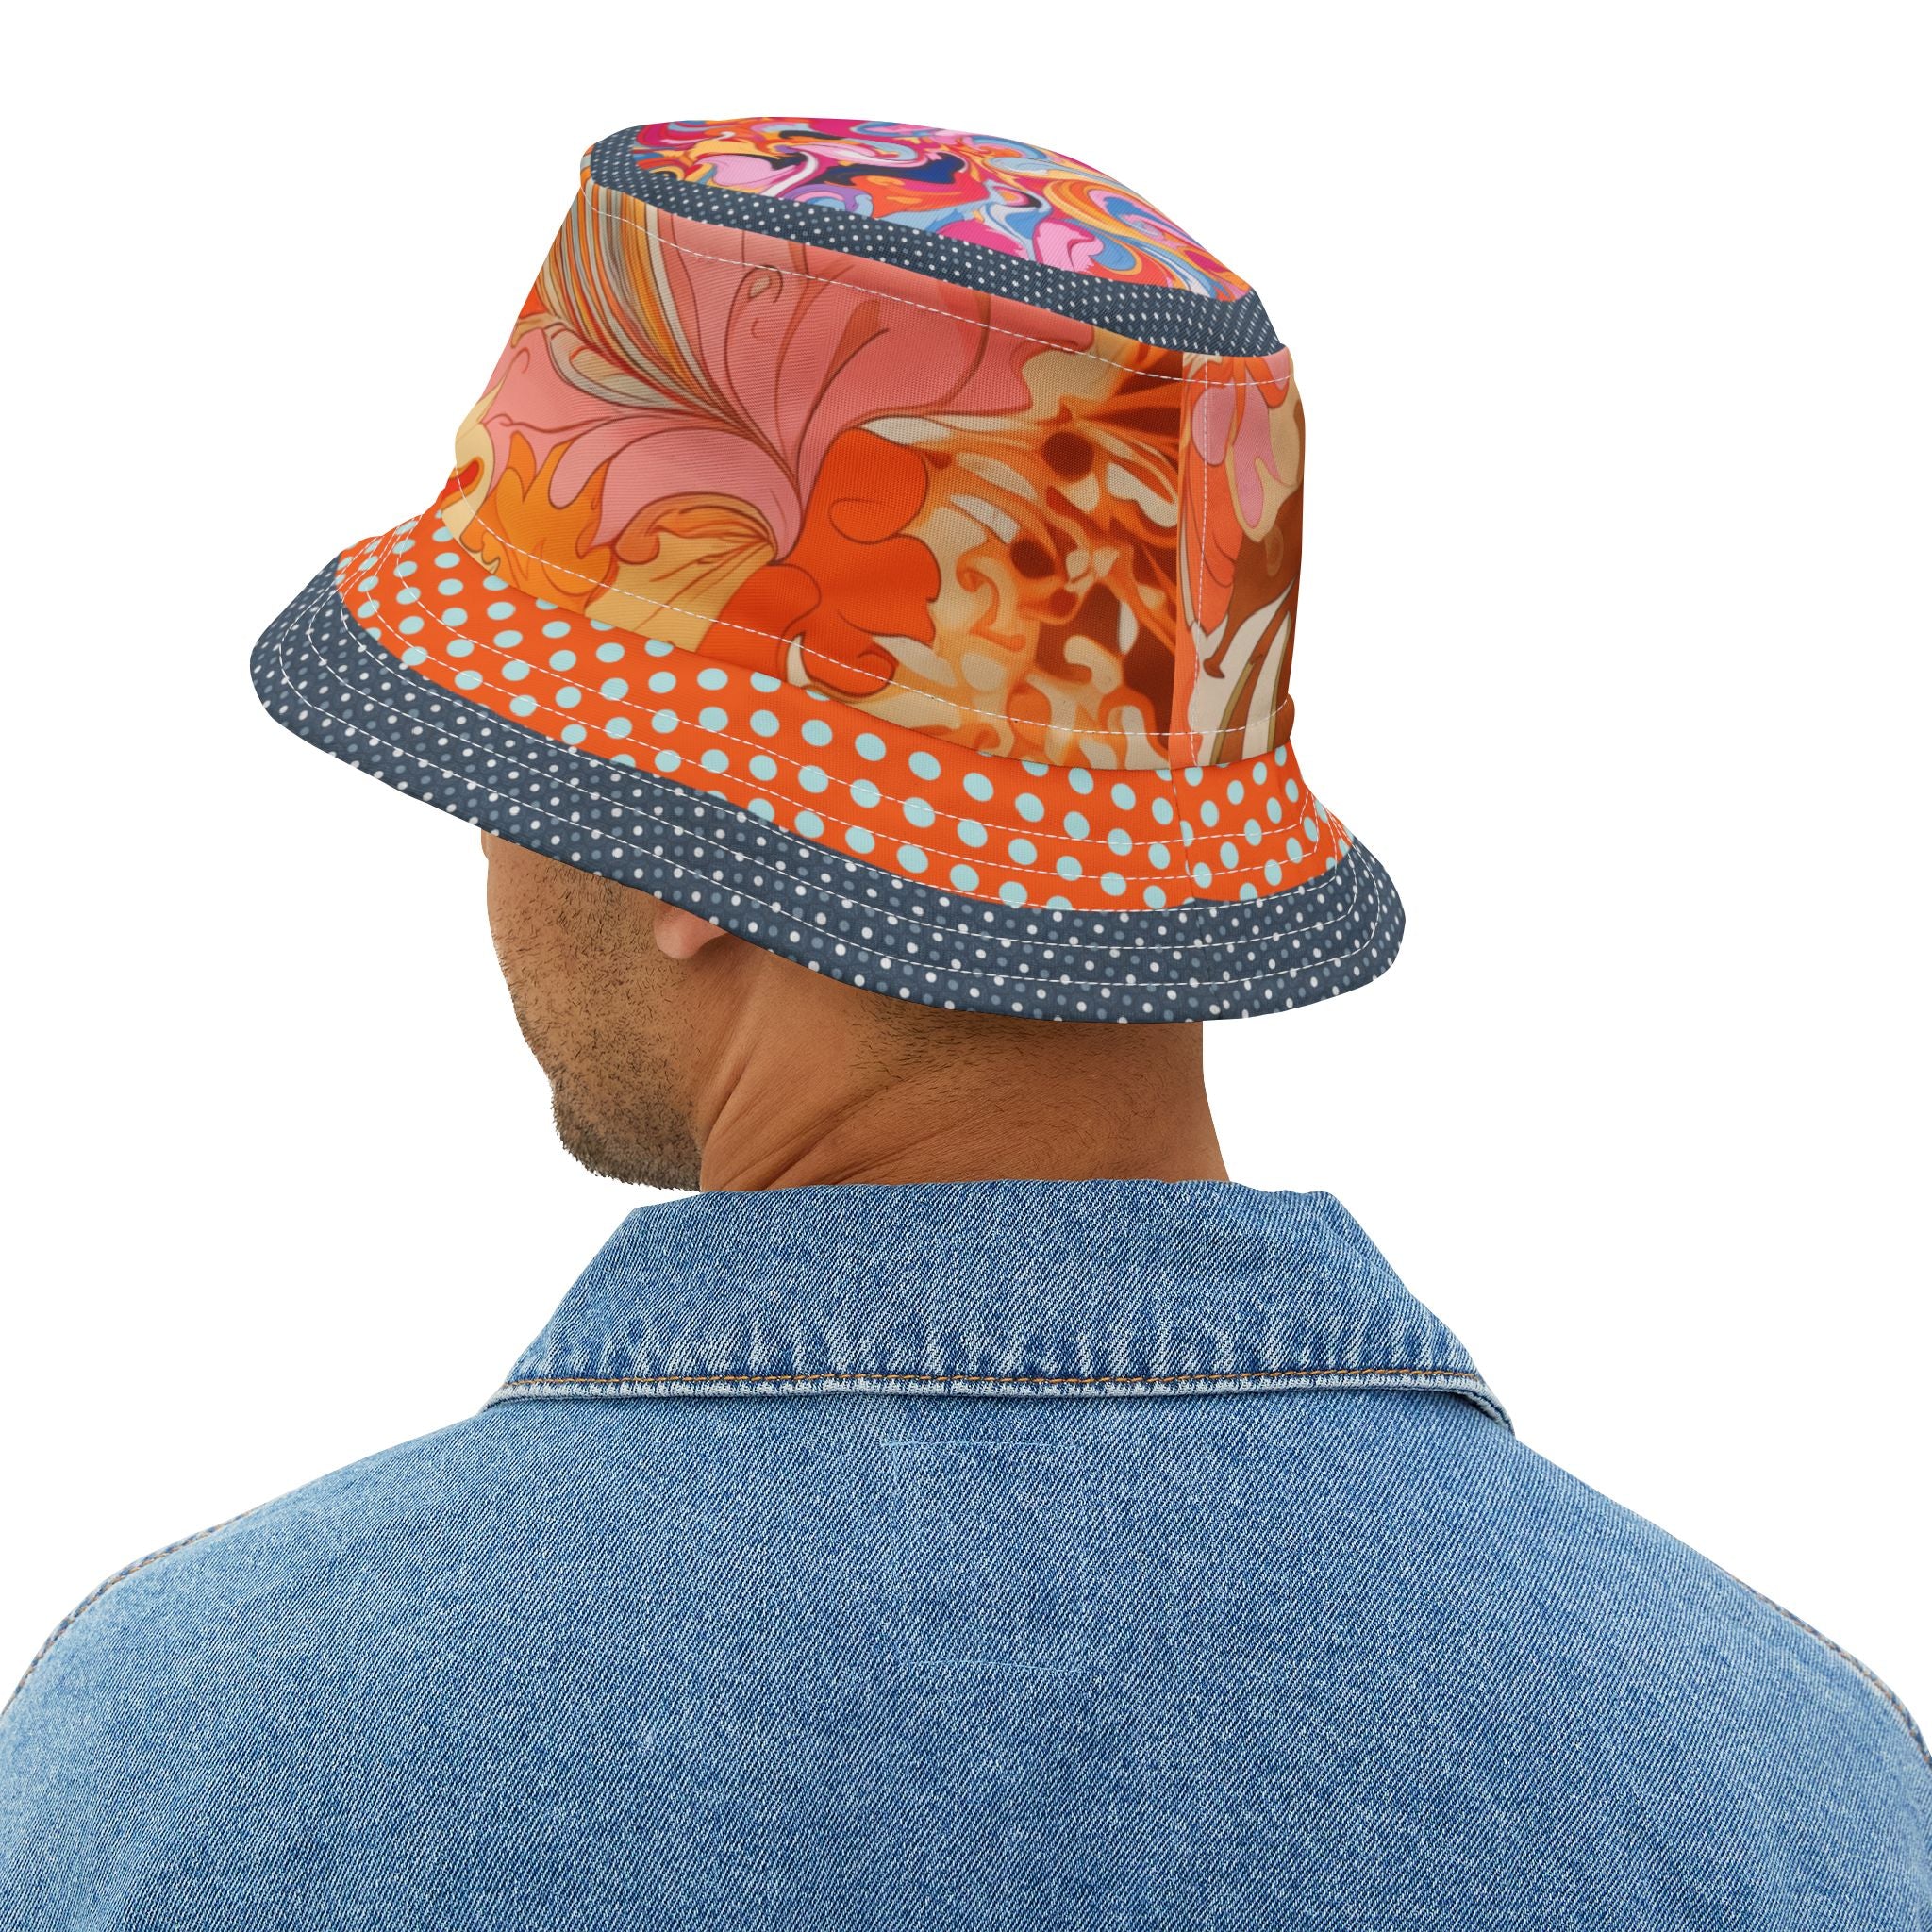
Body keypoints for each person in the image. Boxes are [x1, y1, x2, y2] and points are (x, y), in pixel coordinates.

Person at [2, 115, 1924, 1930]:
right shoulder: (1787, 1790)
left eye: (522, 767)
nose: (496, 859)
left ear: (694, 836)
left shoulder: (173, 1765)